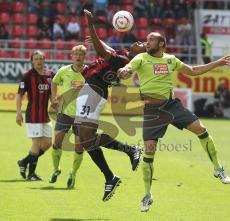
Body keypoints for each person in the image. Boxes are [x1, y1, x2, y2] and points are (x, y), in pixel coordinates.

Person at [118, 32, 230, 212]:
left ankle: (218, 169)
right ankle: (147, 195)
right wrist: (123, 71)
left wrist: (217, 63)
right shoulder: (140, 58)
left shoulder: (170, 60)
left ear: (161, 43)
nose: (147, 43)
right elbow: (127, 71)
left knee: (201, 129)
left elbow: (193, 71)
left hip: (171, 106)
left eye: (151, 40)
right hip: (152, 111)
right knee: (149, 152)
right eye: (147, 40)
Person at [71, 9, 146, 201]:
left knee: (86, 138)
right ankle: (113, 172)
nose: (140, 42)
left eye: (144, 45)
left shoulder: (127, 60)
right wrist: (99, 39)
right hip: (91, 90)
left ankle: (122, 162)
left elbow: (102, 52)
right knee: (83, 137)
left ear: (142, 55)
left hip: (94, 92)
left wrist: (90, 25)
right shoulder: (123, 54)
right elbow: (108, 51)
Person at [49, 45, 87, 188]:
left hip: (82, 115)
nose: (78, 56)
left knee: (79, 147)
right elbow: (53, 82)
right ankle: (56, 169)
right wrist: (54, 98)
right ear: (71, 56)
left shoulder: (89, 72)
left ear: (85, 57)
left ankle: (73, 173)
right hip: (64, 112)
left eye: (81, 54)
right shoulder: (63, 71)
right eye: (76, 54)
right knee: (57, 142)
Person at [16, 50, 54, 181]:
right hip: (33, 115)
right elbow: (19, 95)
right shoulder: (27, 76)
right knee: (36, 144)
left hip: (45, 116)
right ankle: (31, 174)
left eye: (41, 58)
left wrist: (55, 102)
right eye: (36, 59)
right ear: (32, 61)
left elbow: (52, 93)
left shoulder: (50, 75)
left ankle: (24, 161)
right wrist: (18, 112)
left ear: (44, 59)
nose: (38, 61)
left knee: (48, 143)